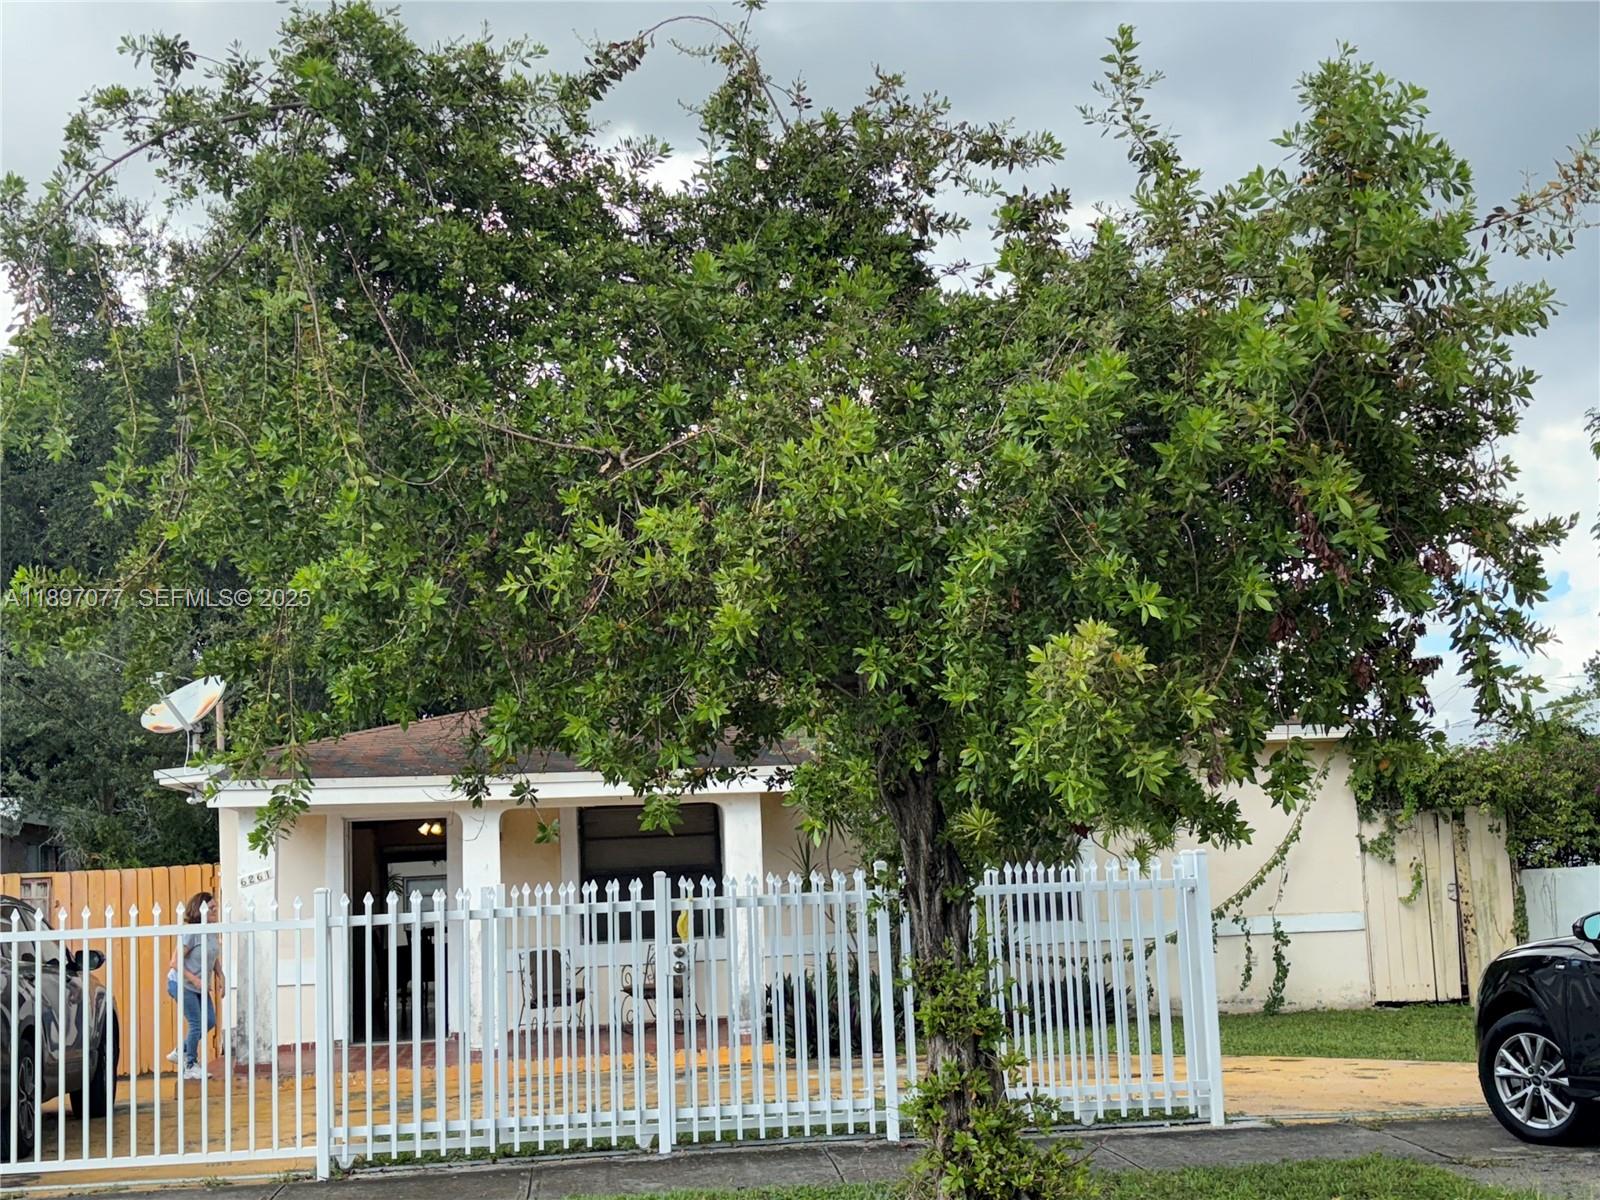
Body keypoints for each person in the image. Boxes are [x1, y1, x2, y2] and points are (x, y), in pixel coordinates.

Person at [166, 891, 223, 1080]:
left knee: (210, 1021)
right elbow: (175, 962)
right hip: (181, 983)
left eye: (216, 907)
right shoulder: (191, 932)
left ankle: (180, 1051)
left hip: (198, 986)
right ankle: (190, 1065)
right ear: (201, 911)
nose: (215, 911)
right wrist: (195, 979)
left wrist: (220, 974)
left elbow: (212, 954)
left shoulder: (212, 930)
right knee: (196, 1024)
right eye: (211, 908)